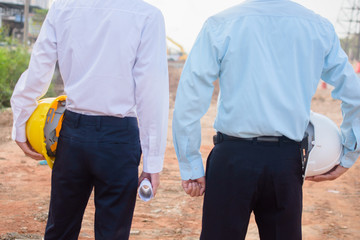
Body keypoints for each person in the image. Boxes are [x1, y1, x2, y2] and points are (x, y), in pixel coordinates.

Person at [172, 0, 360, 239]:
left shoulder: (221, 24)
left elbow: (190, 98)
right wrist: (348, 153)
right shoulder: (318, 27)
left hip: (231, 159)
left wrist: (190, 163)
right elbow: (355, 94)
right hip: (285, 161)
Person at [11, 0, 169, 239]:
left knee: (60, 229)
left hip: (73, 132)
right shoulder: (148, 15)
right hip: (119, 137)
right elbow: (151, 93)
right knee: (112, 232)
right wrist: (152, 162)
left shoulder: (62, 7)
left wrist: (20, 123)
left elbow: (38, 69)